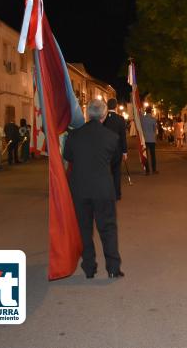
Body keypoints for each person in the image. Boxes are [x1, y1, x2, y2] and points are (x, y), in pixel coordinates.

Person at [64, 99, 124, 279]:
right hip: (103, 189)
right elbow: (115, 162)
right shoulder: (112, 137)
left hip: (80, 189)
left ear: (87, 114)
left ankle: (89, 267)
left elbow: (68, 157)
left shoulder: (74, 136)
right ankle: (113, 268)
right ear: (104, 116)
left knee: (84, 229)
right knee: (108, 228)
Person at [103, 98, 129, 200]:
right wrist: (125, 151)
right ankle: (117, 194)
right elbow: (123, 136)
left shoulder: (103, 119)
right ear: (116, 106)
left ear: (107, 106)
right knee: (116, 172)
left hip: (105, 149)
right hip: (117, 149)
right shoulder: (120, 119)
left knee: (105, 172)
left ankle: (106, 193)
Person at [141, 107, 158, 175]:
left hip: (145, 139)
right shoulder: (153, 119)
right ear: (151, 111)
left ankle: (147, 170)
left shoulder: (142, 119)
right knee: (153, 155)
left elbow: (141, 128)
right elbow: (155, 129)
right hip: (151, 139)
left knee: (146, 155)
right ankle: (154, 170)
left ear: (146, 111)